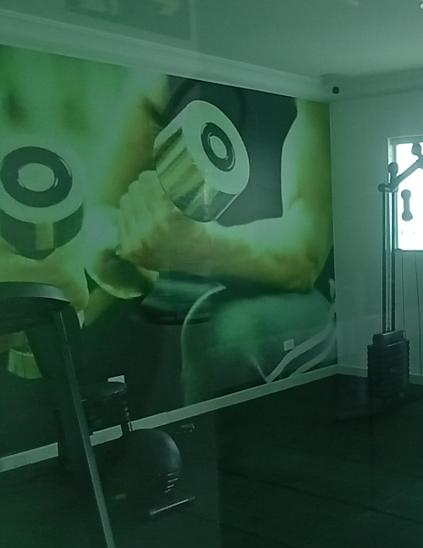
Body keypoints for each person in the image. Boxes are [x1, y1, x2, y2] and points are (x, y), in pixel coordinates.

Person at [0, 46, 335, 453]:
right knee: (60, 333)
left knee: (228, 329)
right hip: (172, 278)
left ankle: (216, 466)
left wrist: (195, 245)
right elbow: (106, 213)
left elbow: (304, 257)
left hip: (291, 294)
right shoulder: (161, 80)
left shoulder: (309, 94)